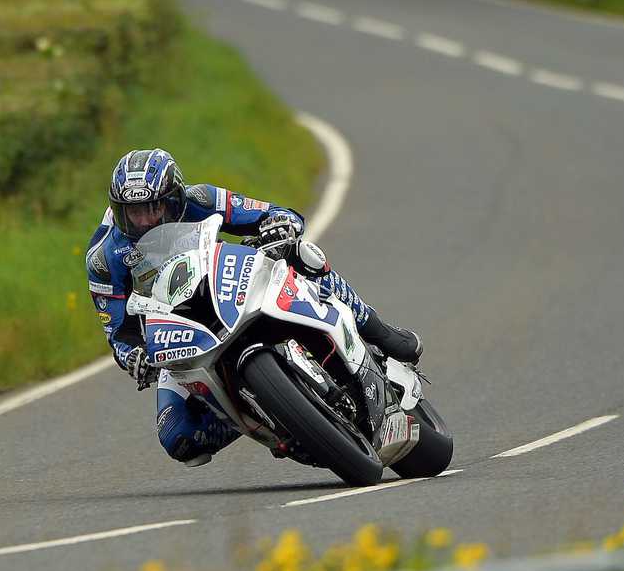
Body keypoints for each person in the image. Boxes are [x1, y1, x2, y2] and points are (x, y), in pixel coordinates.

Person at [85, 148, 423, 468]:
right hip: (179, 331)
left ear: (173, 198)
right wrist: (134, 358)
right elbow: (117, 332)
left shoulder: (200, 199)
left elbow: (274, 213)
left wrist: (278, 224)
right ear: (119, 209)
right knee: (178, 438)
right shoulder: (104, 257)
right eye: (134, 211)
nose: (144, 220)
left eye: (153, 208)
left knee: (302, 253)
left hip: (229, 285)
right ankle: (269, 419)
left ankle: (378, 330)